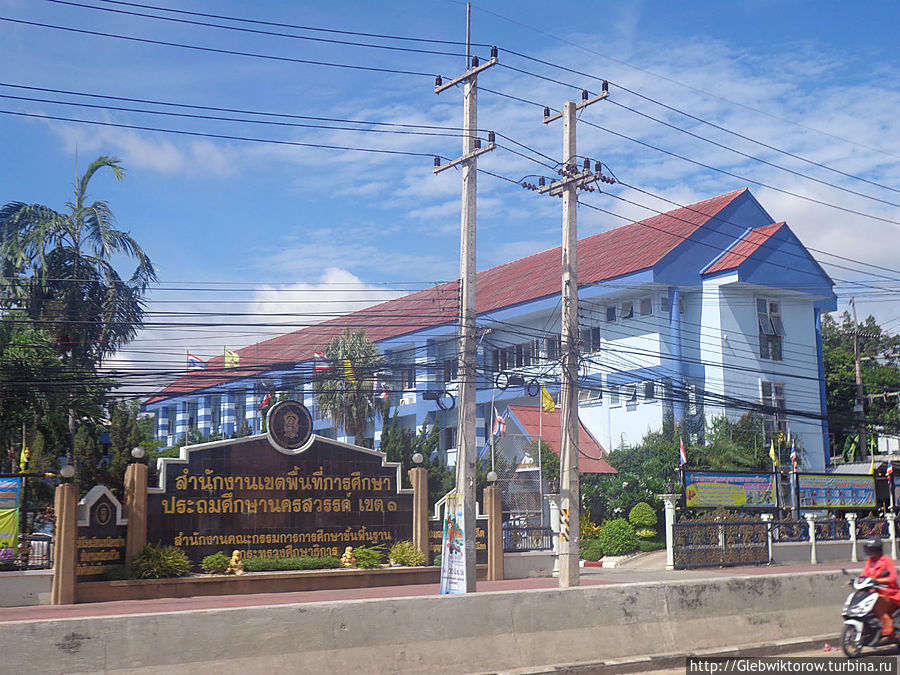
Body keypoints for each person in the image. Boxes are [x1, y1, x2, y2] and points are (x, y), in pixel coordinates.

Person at [861, 538, 900, 640]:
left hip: (889, 593)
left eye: (872, 549)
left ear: (878, 550)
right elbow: (864, 575)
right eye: (868, 549)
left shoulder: (886, 560)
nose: (870, 552)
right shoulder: (869, 562)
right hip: (873, 593)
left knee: (878, 607)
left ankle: (887, 631)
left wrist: (878, 580)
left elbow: (893, 578)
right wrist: (855, 581)